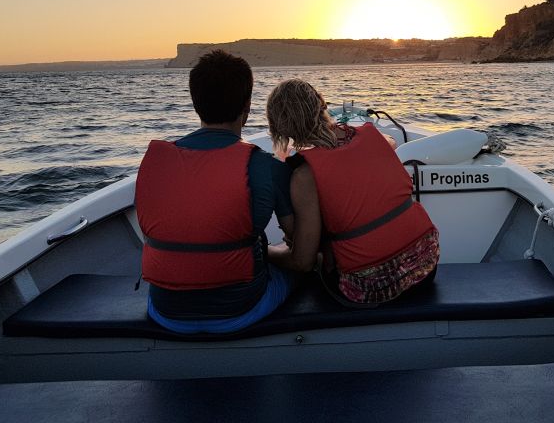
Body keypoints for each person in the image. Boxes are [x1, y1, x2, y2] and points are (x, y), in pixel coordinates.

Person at [135, 50, 318, 334]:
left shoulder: (155, 162)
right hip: (241, 309)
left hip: (164, 311)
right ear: (246, 108)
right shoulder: (267, 167)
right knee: (309, 270)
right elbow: (302, 259)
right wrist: (268, 252)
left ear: (196, 105)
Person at [265, 78, 440, 304]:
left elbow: (302, 262)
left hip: (369, 287)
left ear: (279, 127)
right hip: (426, 264)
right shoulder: (373, 136)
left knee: (300, 260)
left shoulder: (304, 176)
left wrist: (265, 252)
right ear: (322, 102)